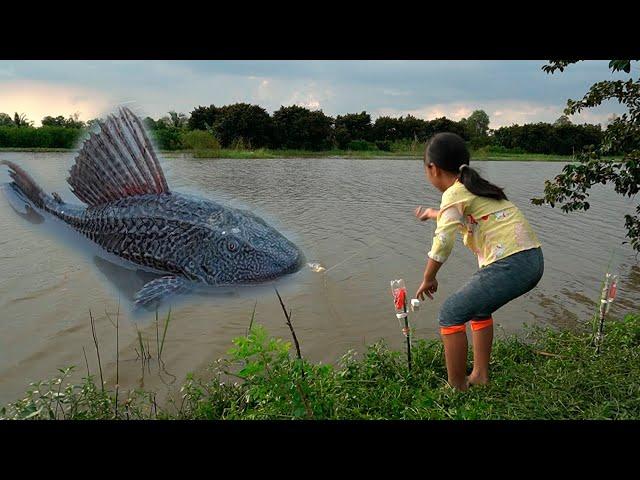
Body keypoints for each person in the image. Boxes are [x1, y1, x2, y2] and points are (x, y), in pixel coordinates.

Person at [414, 132, 544, 391]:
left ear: (433, 168)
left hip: (512, 263)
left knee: (450, 313)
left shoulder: (454, 193)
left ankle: (457, 388)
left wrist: (429, 277)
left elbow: (443, 243)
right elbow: (459, 215)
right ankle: (480, 375)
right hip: (532, 259)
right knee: (479, 310)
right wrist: (432, 213)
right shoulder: (476, 187)